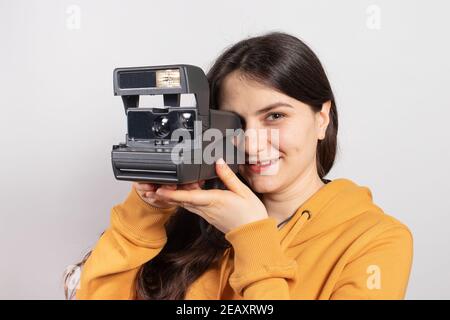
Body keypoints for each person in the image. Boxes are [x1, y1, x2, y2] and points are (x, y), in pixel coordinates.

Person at [65, 32, 413, 300]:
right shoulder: (193, 221)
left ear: (321, 118)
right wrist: (145, 213)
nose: (252, 142)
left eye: (275, 116)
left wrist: (252, 239)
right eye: (236, 123)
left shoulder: (377, 240)